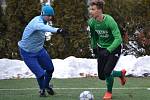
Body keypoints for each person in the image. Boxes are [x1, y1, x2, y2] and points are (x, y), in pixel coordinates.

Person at [18, 5, 67, 97]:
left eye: (51, 16)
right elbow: (43, 28)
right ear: (43, 14)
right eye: (48, 15)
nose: (50, 18)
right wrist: (58, 30)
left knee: (50, 69)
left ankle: (46, 86)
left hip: (39, 50)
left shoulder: (44, 21)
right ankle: (42, 90)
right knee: (40, 74)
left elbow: (45, 27)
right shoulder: (37, 22)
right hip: (27, 52)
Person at [87, 0, 127, 99]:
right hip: (101, 48)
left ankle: (109, 92)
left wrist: (108, 50)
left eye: (93, 9)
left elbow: (118, 39)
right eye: (90, 9)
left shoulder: (110, 21)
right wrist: (94, 47)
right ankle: (120, 74)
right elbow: (93, 36)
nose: (90, 11)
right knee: (102, 76)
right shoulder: (91, 22)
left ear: (100, 10)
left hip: (114, 48)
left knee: (107, 71)